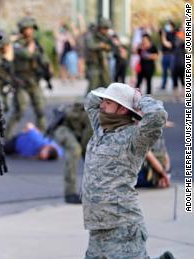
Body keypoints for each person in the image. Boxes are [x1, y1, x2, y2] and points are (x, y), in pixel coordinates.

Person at [82, 82, 174, 259]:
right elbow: (90, 100)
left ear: (123, 110)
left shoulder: (135, 137)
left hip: (122, 225)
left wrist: (138, 99)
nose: (102, 105)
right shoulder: (100, 129)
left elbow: (157, 116)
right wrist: (115, 92)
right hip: (97, 225)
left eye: (108, 103)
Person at [5, 16, 51, 138]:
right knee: (19, 110)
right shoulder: (16, 44)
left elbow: (44, 59)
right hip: (21, 82)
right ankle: (7, 137)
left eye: (31, 29)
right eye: (27, 29)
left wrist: (47, 70)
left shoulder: (37, 44)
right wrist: (31, 47)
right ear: (22, 29)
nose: (29, 31)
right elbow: (26, 54)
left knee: (40, 110)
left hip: (34, 81)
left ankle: (42, 137)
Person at [46, 102, 92, 204]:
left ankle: (90, 192)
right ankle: (70, 193)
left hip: (77, 131)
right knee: (74, 149)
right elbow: (86, 144)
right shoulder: (94, 114)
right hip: (63, 128)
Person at [84, 19, 112, 93]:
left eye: (107, 29)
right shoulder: (91, 35)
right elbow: (90, 45)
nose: (106, 31)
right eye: (105, 28)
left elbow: (110, 47)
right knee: (93, 85)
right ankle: (88, 102)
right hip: (93, 64)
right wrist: (101, 45)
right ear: (100, 28)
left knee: (106, 84)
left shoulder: (104, 36)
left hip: (102, 64)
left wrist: (107, 47)